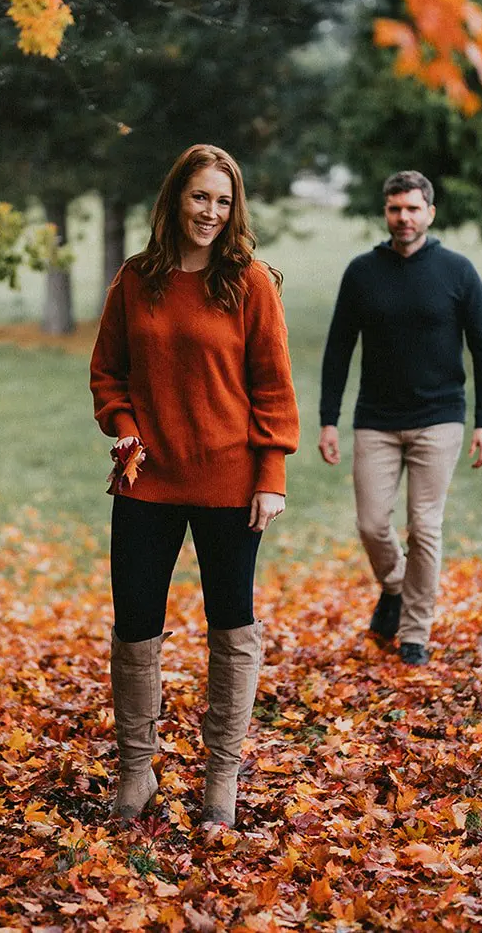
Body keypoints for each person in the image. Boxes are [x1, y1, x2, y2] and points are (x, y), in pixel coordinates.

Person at [90, 143, 300, 828]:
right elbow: (108, 374)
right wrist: (124, 429)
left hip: (231, 482)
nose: (210, 211)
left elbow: (272, 387)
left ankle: (219, 780)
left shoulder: (251, 283)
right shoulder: (136, 278)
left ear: (233, 208)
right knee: (135, 630)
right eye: (199, 196)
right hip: (146, 481)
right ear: (176, 198)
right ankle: (135, 771)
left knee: (232, 628)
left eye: (223, 200)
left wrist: (271, 475)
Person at [317, 170, 482, 666]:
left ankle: (415, 632)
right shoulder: (361, 272)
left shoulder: (458, 272)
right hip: (375, 419)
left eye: (413, 209)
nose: (404, 218)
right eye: (396, 209)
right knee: (373, 523)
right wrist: (328, 418)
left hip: (440, 419)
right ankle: (395, 587)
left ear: (430, 213)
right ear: (386, 212)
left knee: (425, 527)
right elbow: (338, 348)